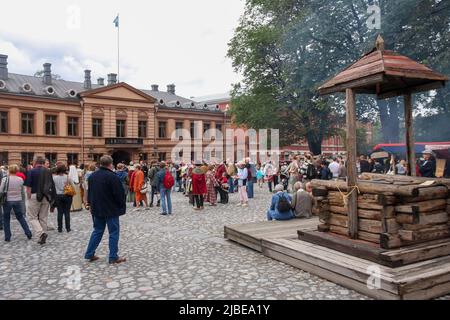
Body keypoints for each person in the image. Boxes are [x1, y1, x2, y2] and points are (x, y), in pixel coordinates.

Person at [84, 155, 126, 264]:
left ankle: (89, 253)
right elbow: (119, 194)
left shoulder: (92, 176)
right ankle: (113, 256)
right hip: (111, 209)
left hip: (97, 208)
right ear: (110, 164)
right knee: (114, 232)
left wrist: (89, 203)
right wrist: (121, 205)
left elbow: (90, 192)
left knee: (97, 231)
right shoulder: (113, 177)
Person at [24, 156, 56, 245]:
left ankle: (41, 233)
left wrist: (29, 197)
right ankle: (42, 237)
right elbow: (52, 185)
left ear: (35, 162)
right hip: (46, 196)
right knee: (43, 217)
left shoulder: (31, 171)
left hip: (34, 195)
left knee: (32, 217)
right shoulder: (48, 171)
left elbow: (28, 187)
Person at [0, 164, 33, 242]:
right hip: (17, 200)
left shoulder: (5, 179)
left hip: (7, 200)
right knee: (20, 217)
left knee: (6, 218)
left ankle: (7, 236)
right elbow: (21, 190)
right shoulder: (20, 179)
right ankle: (28, 233)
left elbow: (1, 190)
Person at [52, 163, 75, 233]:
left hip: (58, 196)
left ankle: (60, 228)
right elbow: (73, 186)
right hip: (67, 195)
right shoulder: (68, 177)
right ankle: (68, 228)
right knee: (67, 212)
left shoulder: (54, 178)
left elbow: (52, 188)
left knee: (60, 212)